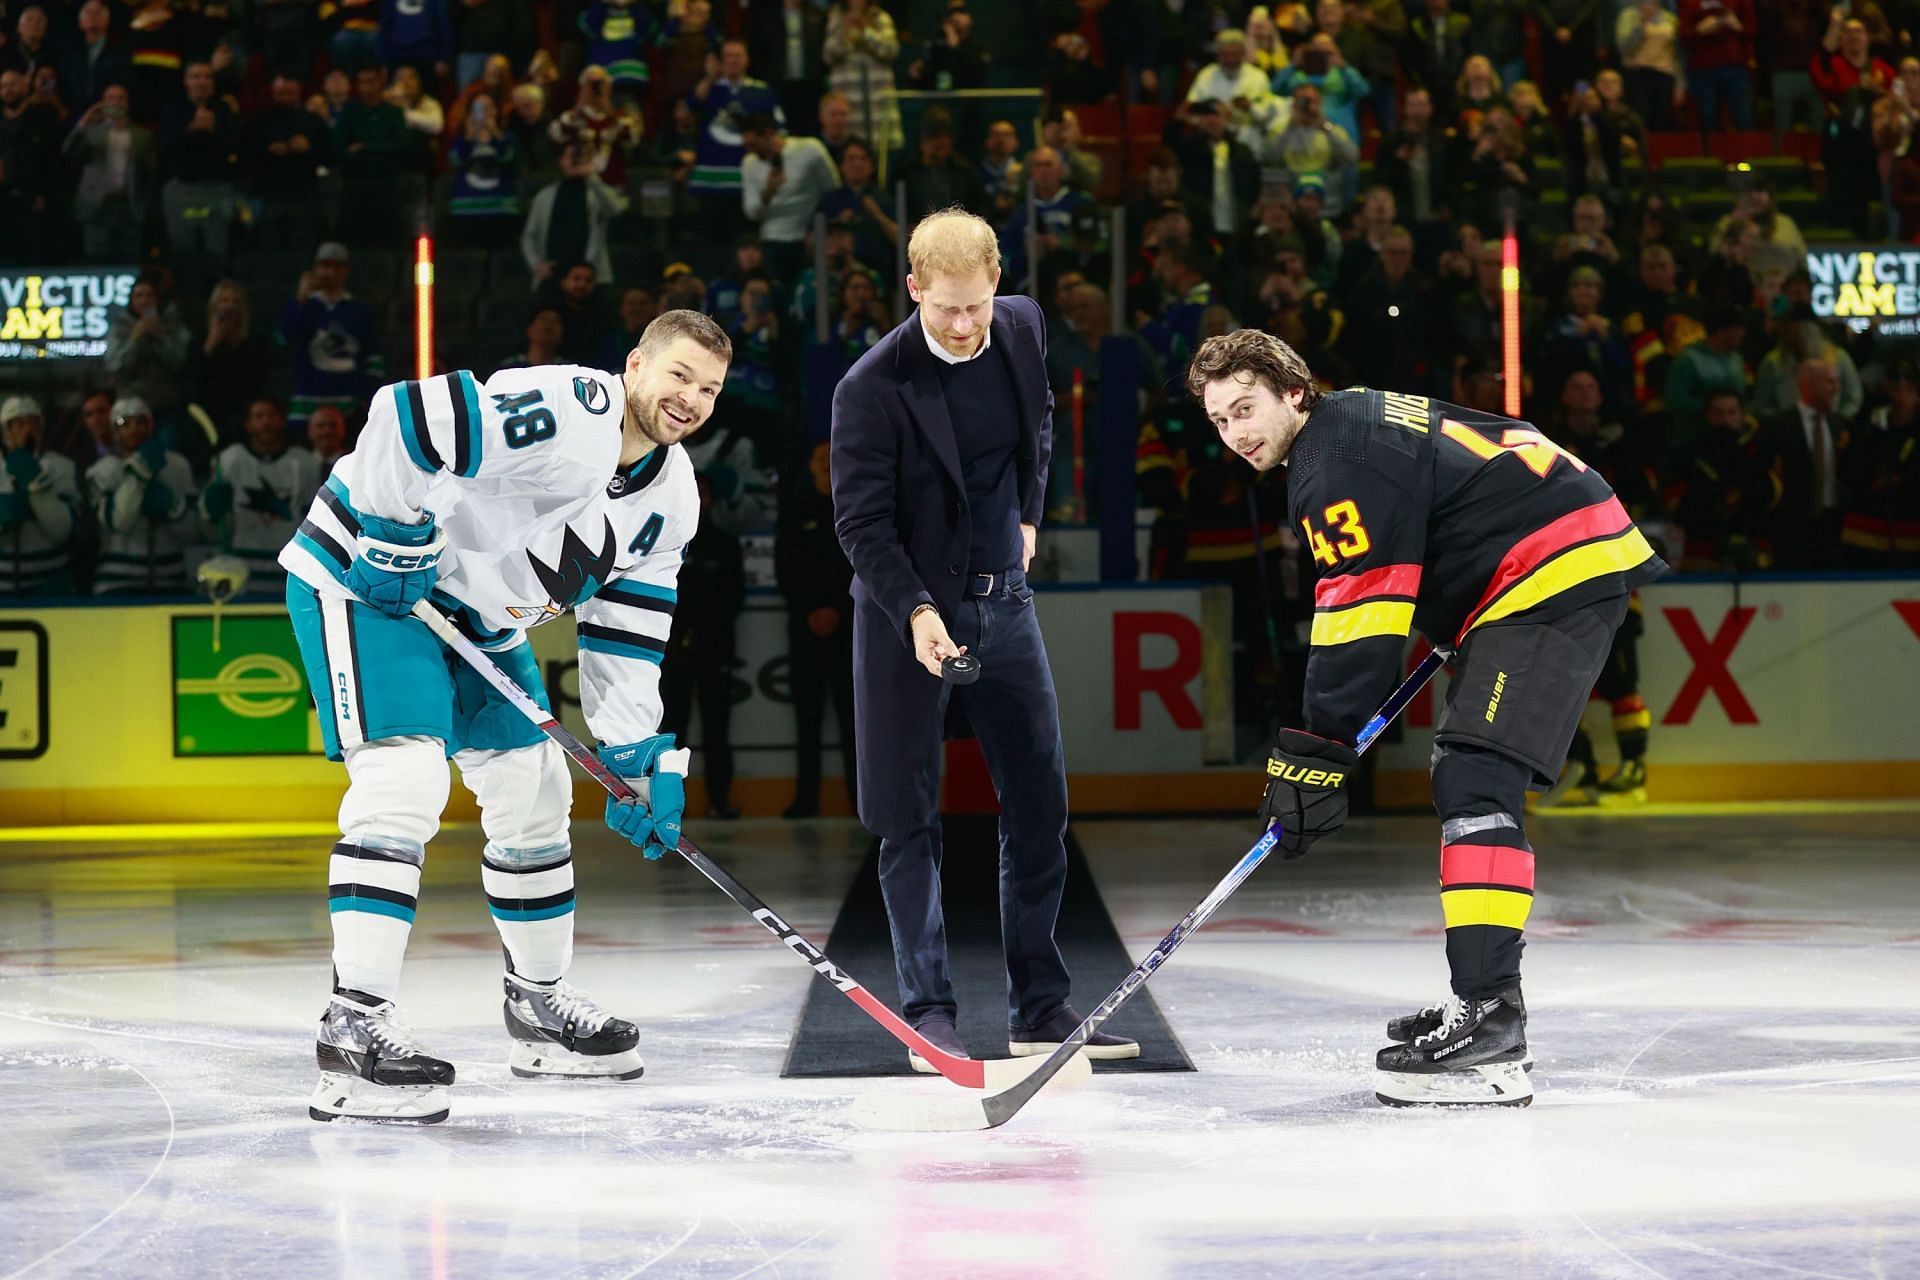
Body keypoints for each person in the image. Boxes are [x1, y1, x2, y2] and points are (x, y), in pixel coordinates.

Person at [1187, 328, 1665, 1107]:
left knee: (1477, 777)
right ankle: (1483, 1003)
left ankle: (1489, 1031)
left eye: (1247, 409)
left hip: (1549, 572)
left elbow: (1359, 619)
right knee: (1470, 773)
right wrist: (1463, 591)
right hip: (1536, 561)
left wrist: (1314, 749)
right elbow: (1473, 470)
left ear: (1295, 392)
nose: (1238, 434)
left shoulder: (1332, 465)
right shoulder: (1350, 422)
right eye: (1219, 420)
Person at [278, 310, 734, 1123]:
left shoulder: (673, 499)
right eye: (677, 376)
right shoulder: (573, 411)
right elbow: (409, 417)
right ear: (635, 366)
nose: (690, 399)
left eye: (708, 388)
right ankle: (353, 1028)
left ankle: (538, 1008)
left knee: (534, 792)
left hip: (480, 624)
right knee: (405, 781)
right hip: (367, 584)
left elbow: (627, 632)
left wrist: (632, 760)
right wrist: (390, 535)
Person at [830, 209, 1139, 1069]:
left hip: (1007, 605)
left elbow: (1038, 423)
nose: (966, 326)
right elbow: (860, 524)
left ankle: (1041, 1006)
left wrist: (1032, 515)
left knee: (1040, 806)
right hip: (907, 618)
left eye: (978, 306)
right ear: (914, 288)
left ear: (998, 282)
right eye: (947, 310)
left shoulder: (1024, 326)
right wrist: (919, 613)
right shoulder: (869, 385)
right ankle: (927, 1012)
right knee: (906, 820)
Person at [659, 472, 747, 820]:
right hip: (672, 652)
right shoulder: (665, 541)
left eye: (705, 492)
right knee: (671, 733)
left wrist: (704, 635)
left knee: (716, 731)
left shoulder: (725, 544)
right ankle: (669, 806)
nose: (700, 498)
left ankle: (719, 800)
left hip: (715, 651)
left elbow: (733, 599)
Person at [777, 440, 858, 817]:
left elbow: (865, 568)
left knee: (853, 722)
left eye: (832, 457)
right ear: (810, 465)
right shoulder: (795, 510)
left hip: (849, 631)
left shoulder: (856, 506)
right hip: (805, 631)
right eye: (819, 458)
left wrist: (839, 611)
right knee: (806, 721)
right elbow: (785, 569)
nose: (826, 465)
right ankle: (805, 800)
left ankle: (861, 802)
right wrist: (810, 611)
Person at [199, 397, 318, 596]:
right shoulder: (230, 459)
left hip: (290, 572)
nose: (266, 422)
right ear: (248, 425)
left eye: (272, 415)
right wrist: (211, 510)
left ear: (282, 421)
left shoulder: (304, 462)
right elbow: (209, 526)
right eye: (259, 416)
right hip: (242, 573)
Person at [85, 396, 199, 595]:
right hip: (117, 584)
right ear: (114, 430)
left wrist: (174, 507)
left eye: (141, 421)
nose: (133, 429)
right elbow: (119, 522)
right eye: (124, 423)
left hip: (170, 581)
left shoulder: (177, 466)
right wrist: (139, 474)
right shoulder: (102, 471)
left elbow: (194, 532)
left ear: (152, 426)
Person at [279, 242, 385, 433]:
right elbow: (286, 336)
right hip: (306, 404)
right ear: (316, 269)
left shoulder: (359, 311)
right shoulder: (304, 306)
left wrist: (365, 398)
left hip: (348, 405)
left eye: (337, 267)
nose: (330, 272)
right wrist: (301, 298)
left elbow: (373, 359)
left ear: (346, 271)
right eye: (325, 266)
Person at [740, 114, 842, 283]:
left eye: (754, 144)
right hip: (773, 239)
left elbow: (832, 190)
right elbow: (752, 213)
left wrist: (817, 227)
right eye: (746, 145)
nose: (750, 150)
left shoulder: (810, 150)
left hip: (809, 237)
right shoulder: (749, 163)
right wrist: (768, 191)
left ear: (769, 133)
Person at [64, 83, 156, 262]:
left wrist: (144, 202)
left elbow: (150, 172)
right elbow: (69, 153)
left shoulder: (142, 135)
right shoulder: (91, 133)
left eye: (120, 98)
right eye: (111, 98)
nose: (116, 102)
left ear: (128, 103)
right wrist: (84, 123)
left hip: (129, 207)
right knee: (96, 260)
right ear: (103, 103)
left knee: (129, 259)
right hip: (97, 206)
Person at [0, 395, 80, 596]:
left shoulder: (61, 467)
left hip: (51, 580)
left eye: (33, 423)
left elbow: (62, 531)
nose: (28, 430)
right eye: (19, 423)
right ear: (6, 430)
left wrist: (36, 486)